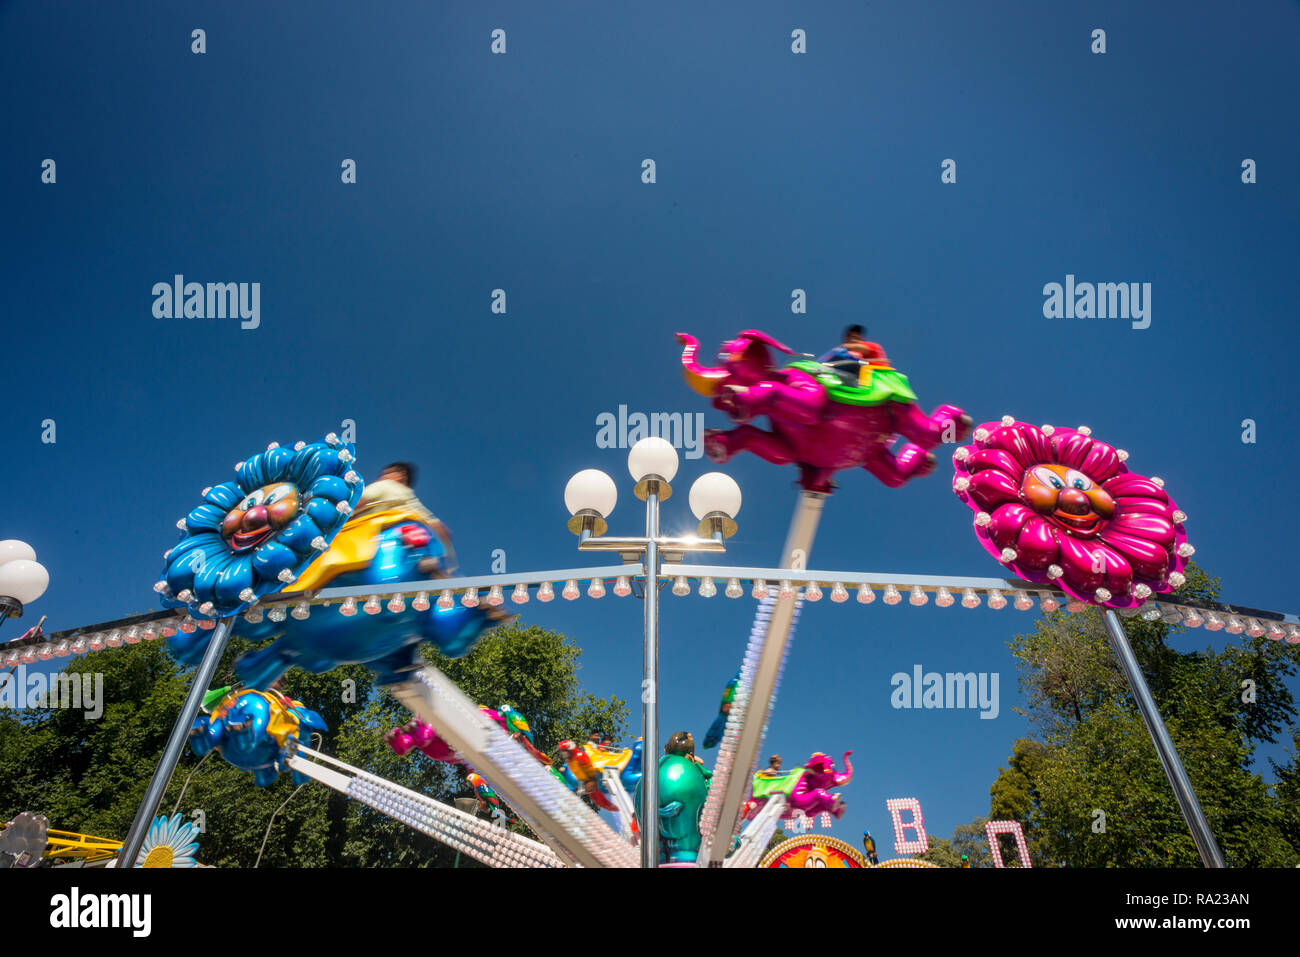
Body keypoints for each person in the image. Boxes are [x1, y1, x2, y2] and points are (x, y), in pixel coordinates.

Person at [355, 461, 457, 576]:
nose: (382, 477)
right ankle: (434, 567)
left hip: (380, 535)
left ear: (400, 474)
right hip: (416, 537)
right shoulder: (410, 498)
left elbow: (358, 501)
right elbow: (438, 526)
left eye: (386, 473)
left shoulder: (385, 485)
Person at [817, 324, 890, 369]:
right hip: (861, 376)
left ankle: (817, 366)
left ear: (861, 338)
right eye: (850, 337)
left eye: (856, 337)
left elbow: (863, 349)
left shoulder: (871, 345)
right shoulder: (852, 353)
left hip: (876, 376)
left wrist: (844, 346)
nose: (852, 339)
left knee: (838, 352)